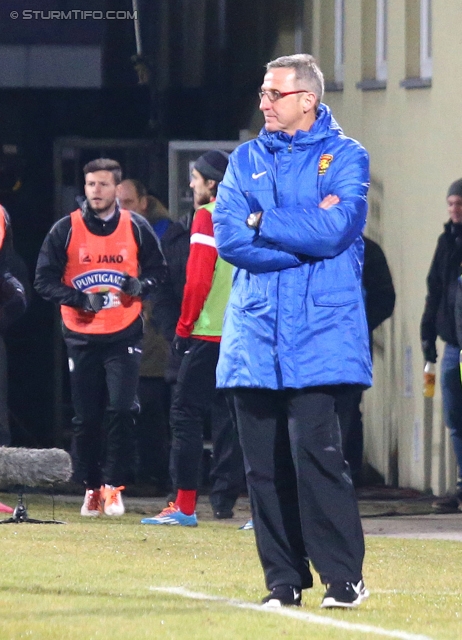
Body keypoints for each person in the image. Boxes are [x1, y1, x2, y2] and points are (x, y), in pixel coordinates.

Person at [212, 54, 371, 609]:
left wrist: (264, 220)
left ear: (307, 99)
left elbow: (337, 229)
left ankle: (343, 578)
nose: (263, 102)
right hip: (254, 335)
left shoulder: (347, 157)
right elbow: (229, 237)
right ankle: (282, 583)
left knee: (318, 459)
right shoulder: (244, 160)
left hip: (324, 335)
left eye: (274, 93)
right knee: (263, 469)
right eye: (262, 92)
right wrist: (297, 245)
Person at [35, 158, 166, 517]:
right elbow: (42, 280)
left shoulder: (136, 227)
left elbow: (159, 271)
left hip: (123, 329)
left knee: (122, 409)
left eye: (103, 184)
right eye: (91, 184)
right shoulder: (65, 229)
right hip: (81, 333)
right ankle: (91, 487)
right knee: (87, 416)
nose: (96, 190)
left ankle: (114, 487)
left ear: (117, 189)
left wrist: (142, 285)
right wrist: (79, 298)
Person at [141, 150, 244, 526]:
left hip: (208, 333)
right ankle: (254, 507)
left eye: (195, 177)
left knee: (185, 414)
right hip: (243, 334)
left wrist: (183, 329)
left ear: (212, 184)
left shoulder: (208, 216)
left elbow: (199, 279)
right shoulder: (249, 216)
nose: (190, 184)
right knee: (242, 419)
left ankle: (184, 506)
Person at [117, 178, 172, 491]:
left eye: (126, 202)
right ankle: (133, 474)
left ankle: (153, 476)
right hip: (127, 334)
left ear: (143, 203)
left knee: (150, 409)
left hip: (152, 338)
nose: (120, 208)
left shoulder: (161, 234)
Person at [336, 235, 395, 485]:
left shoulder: (367, 250)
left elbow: (384, 299)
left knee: (347, 411)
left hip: (352, 347)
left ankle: (349, 478)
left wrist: (357, 326)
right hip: (348, 347)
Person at [422, 178, 462, 513]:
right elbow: (435, 289)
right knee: (454, 418)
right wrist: (427, 335)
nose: (454, 210)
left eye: (459, 204)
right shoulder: (446, 242)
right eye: (451, 204)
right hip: (452, 344)